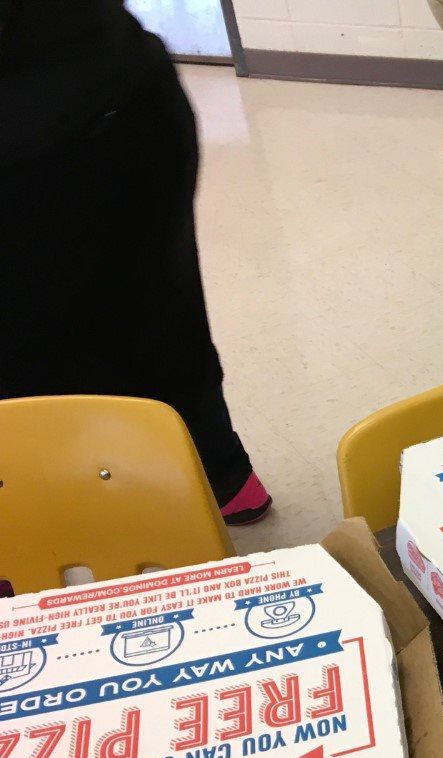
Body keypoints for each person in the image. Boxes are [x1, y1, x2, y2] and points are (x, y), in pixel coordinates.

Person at [0, 0, 272, 525]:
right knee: (159, 313)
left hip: (77, 118)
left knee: (38, 361)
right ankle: (223, 477)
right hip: (121, 91)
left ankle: (200, 482)